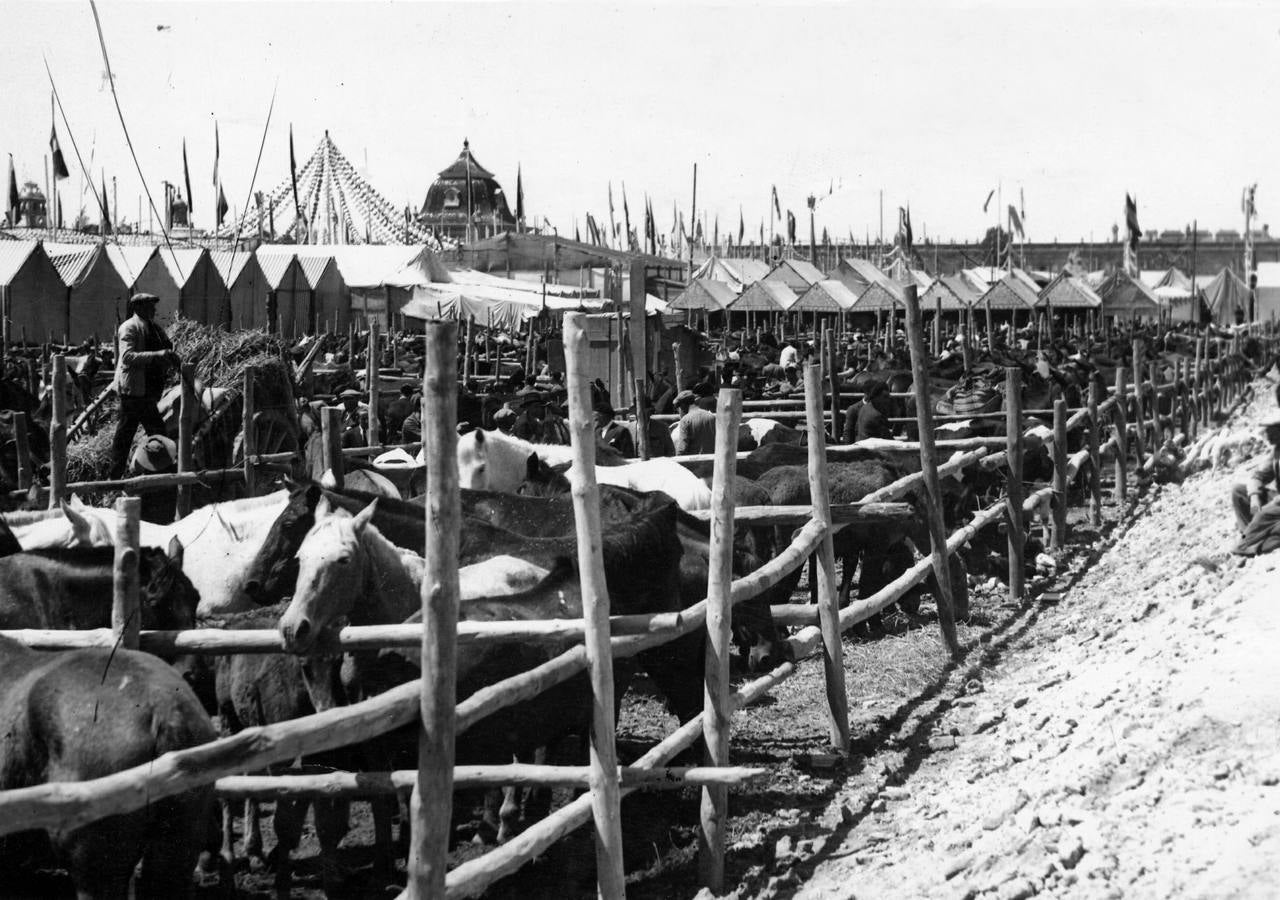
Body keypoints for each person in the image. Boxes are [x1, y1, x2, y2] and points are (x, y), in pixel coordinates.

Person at [111, 293, 178, 478]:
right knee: (147, 433)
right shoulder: (129, 327)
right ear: (138, 307)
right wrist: (158, 355)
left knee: (128, 433)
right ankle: (162, 475)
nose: (154, 310)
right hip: (134, 392)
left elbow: (166, 347)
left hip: (148, 391)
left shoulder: (154, 328)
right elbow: (127, 357)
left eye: (153, 306)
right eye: (149, 306)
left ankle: (118, 476)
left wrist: (171, 357)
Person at [1231, 413, 1280, 533]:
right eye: (1267, 431)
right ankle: (1248, 533)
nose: (1267, 436)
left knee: (1265, 513)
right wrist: (1254, 496)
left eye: (1272, 431)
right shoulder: (1276, 452)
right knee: (1238, 490)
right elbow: (1258, 475)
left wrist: (1272, 505)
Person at [671, 389, 717, 455]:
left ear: (683, 405)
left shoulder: (686, 420)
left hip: (694, 462)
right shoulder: (711, 416)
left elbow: (682, 448)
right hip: (712, 460)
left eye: (680, 407)